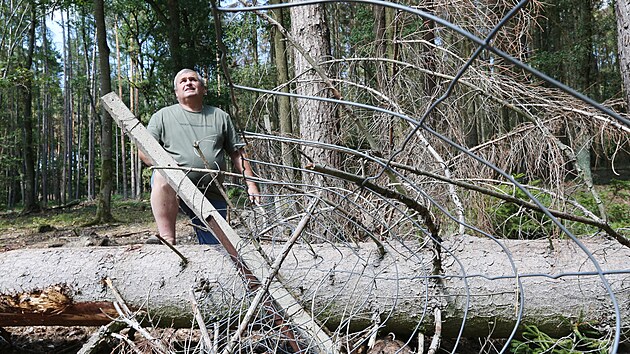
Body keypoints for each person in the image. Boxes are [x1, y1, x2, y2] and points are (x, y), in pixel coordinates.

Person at [139, 68, 260, 245]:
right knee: (161, 175)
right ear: (176, 92)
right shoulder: (162, 116)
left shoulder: (220, 116)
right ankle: (167, 239)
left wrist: (251, 184)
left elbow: (237, 153)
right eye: (183, 81)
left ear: (203, 88)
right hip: (174, 187)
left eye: (193, 80)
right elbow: (144, 151)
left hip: (211, 191)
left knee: (220, 247)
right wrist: (170, 168)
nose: (188, 83)